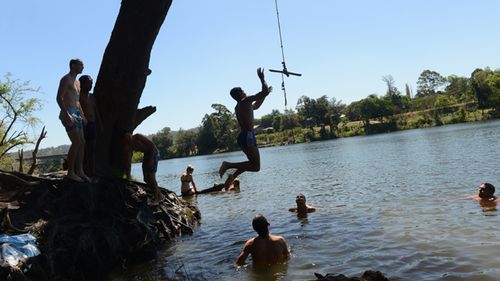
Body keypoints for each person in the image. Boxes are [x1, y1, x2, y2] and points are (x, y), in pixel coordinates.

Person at [218, 68, 272, 189]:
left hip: (244, 137)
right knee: (256, 166)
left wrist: (266, 93)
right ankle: (228, 165)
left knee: (252, 165)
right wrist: (262, 79)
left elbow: (256, 105)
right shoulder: (245, 101)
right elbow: (262, 93)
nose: (245, 92)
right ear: (240, 94)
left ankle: (233, 176)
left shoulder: (240, 105)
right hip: (247, 136)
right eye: (243, 91)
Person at [56, 58, 90, 182]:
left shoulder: (77, 82)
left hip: (76, 113)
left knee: (82, 142)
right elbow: (59, 98)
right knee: (76, 142)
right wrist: (67, 114)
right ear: (73, 65)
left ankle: (79, 170)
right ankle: (70, 172)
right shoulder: (66, 79)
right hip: (68, 112)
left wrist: (83, 115)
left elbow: (77, 101)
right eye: (81, 65)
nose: (83, 67)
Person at [123, 132, 165, 205]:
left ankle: (156, 199)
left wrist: (151, 160)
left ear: (130, 134)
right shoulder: (128, 146)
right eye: (125, 138)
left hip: (153, 153)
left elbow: (152, 145)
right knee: (146, 179)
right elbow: (128, 161)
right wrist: (128, 175)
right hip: (146, 155)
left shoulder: (138, 137)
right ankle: (160, 195)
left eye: (128, 135)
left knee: (151, 177)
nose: (128, 138)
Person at [78, 75, 97, 177]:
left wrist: (100, 124)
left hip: (93, 125)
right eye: (89, 82)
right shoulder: (79, 97)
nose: (91, 85)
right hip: (83, 125)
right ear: (82, 84)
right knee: (83, 148)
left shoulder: (92, 97)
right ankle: (83, 170)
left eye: (91, 82)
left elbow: (96, 111)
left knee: (92, 149)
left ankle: (92, 171)